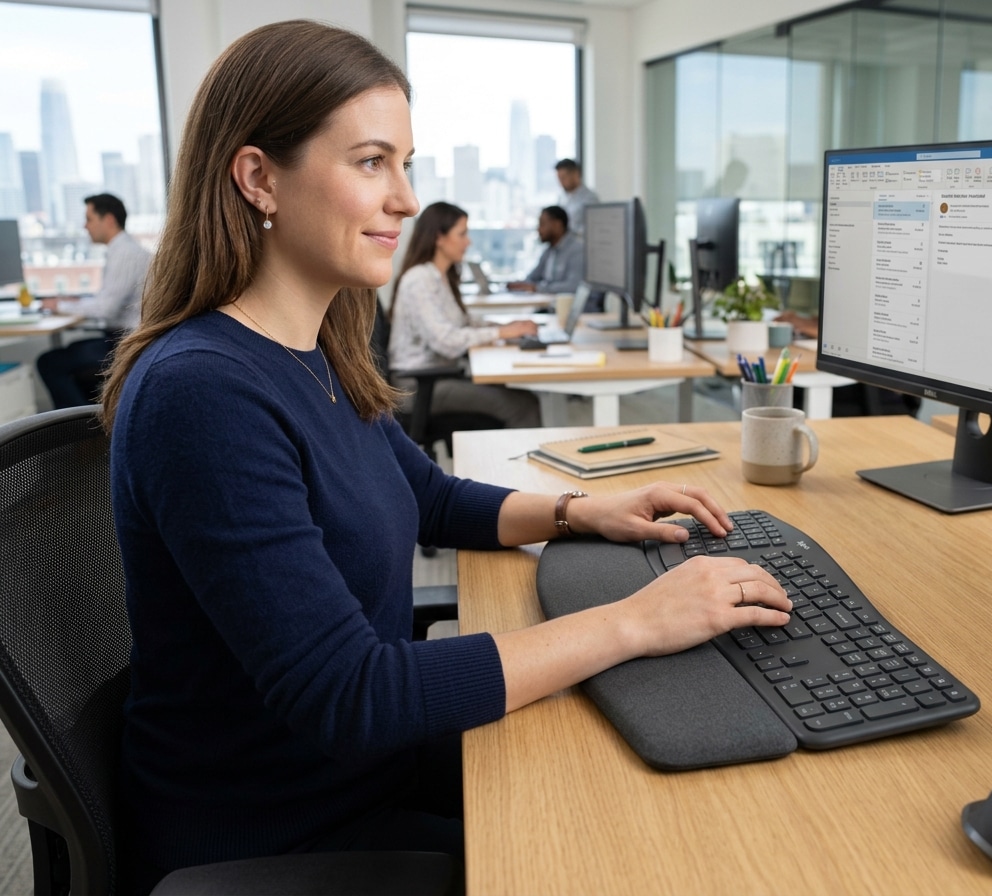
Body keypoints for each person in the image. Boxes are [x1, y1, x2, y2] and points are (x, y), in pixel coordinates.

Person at [98, 20, 789, 894]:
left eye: (407, 164)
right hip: (275, 829)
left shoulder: (318, 347)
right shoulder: (203, 392)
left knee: (638, 783)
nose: (403, 199)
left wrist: (581, 510)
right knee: (627, 845)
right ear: (258, 177)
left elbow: (423, 495)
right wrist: (635, 622)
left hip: (361, 773)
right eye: (371, 162)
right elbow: (351, 693)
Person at [388, 201, 542, 428]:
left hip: (440, 375)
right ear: (439, 238)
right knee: (521, 405)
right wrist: (500, 332)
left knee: (515, 394)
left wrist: (505, 327)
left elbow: (463, 323)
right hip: (419, 387)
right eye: (462, 234)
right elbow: (446, 341)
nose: (468, 241)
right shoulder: (419, 281)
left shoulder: (440, 276)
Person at [37, 193, 151, 407]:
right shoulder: (123, 250)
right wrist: (74, 302)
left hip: (125, 343)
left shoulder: (126, 253)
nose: (85, 226)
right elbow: (108, 300)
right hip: (121, 338)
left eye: (89, 219)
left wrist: (60, 306)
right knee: (70, 356)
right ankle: (91, 425)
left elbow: (106, 308)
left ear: (108, 220)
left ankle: (76, 428)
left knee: (50, 363)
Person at [505, 205, 583, 295]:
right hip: (550, 304)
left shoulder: (577, 250)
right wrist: (519, 285)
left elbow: (573, 286)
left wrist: (536, 288)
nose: (538, 229)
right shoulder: (549, 251)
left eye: (542, 224)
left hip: (569, 307)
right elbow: (533, 277)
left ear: (557, 225)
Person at [554, 158, 599, 235]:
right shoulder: (561, 197)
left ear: (576, 174)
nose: (561, 182)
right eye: (559, 178)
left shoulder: (590, 198)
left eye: (563, 177)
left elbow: (594, 227)